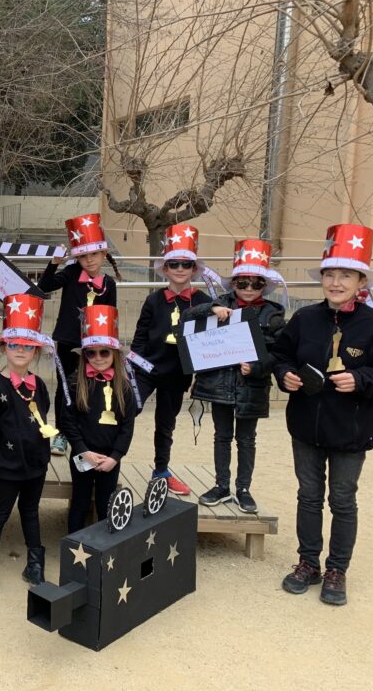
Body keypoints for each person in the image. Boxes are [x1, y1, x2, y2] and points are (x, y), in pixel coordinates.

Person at [273, 224, 373, 606]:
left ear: (361, 281)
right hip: (306, 427)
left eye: (345, 275)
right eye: (330, 274)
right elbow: (280, 356)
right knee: (309, 496)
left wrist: (361, 379)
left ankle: (337, 569)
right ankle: (308, 562)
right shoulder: (304, 319)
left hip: (351, 431)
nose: (335, 282)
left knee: (342, 500)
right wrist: (285, 375)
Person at [183, 238, 285, 513]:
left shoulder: (273, 314)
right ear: (234, 284)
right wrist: (209, 309)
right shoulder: (219, 303)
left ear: (264, 285)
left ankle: (243, 489)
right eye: (242, 283)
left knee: (247, 440)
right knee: (222, 436)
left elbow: (280, 353)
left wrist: (257, 367)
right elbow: (186, 320)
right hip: (219, 386)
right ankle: (221, 485)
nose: (249, 288)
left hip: (252, 387)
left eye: (255, 283)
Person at [0, 294, 56, 602]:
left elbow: (43, 415)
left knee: (31, 511)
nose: (20, 351)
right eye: (14, 345)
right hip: (8, 465)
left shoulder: (40, 385)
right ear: (3, 347)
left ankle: (35, 565)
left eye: (27, 346)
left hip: (36, 463)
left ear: (35, 351)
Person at [130, 224, 211, 495]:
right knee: (127, 409)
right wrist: (136, 368)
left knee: (165, 425)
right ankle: (107, 460)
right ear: (165, 268)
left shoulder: (203, 301)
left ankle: (161, 471)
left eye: (186, 264)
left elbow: (209, 341)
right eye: (174, 263)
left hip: (177, 374)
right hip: (147, 370)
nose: (179, 269)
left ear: (193, 269)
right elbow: (139, 338)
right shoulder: (153, 300)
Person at [37, 214, 120, 456]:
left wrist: (109, 348)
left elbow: (112, 317)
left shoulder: (109, 284)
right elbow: (44, 286)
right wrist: (54, 263)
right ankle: (61, 434)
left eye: (94, 254)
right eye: (83, 256)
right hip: (68, 340)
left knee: (92, 387)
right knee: (65, 387)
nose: (89, 260)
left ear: (103, 254)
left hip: (95, 347)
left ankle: (86, 433)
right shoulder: (72, 273)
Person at [57, 305, 136, 535]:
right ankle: (74, 546)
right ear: (84, 355)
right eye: (91, 353)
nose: (98, 358)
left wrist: (115, 457)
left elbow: (128, 426)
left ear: (114, 354)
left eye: (104, 352)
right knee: (79, 502)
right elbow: (67, 420)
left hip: (110, 458)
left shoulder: (125, 387)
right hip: (83, 455)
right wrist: (83, 451)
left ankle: (104, 549)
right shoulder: (75, 382)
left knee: (105, 505)